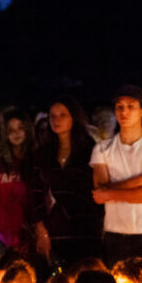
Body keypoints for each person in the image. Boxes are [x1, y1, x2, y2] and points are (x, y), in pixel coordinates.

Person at [90, 84, 142, 273]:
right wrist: (141, 180)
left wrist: (110, 192)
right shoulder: (102, 148)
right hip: (115, 232)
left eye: (130, 106)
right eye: (120, 107)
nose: (124, 111)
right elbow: (99, 192)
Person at [30, 95, 103, 266]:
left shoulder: (89, 150)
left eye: (63, 115)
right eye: (53, 116)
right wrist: (40, 227)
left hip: (85, 230)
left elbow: (96, 190)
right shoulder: (43, 154)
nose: (57, 120)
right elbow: (35, 192)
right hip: (54, 231)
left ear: (74, 117)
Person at [0, 107, 36, 264]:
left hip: (31, 236)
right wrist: (9, 238)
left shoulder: (37, 163)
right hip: (1, 237)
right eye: (11, 129)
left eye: (20, 128)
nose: (16, 133)